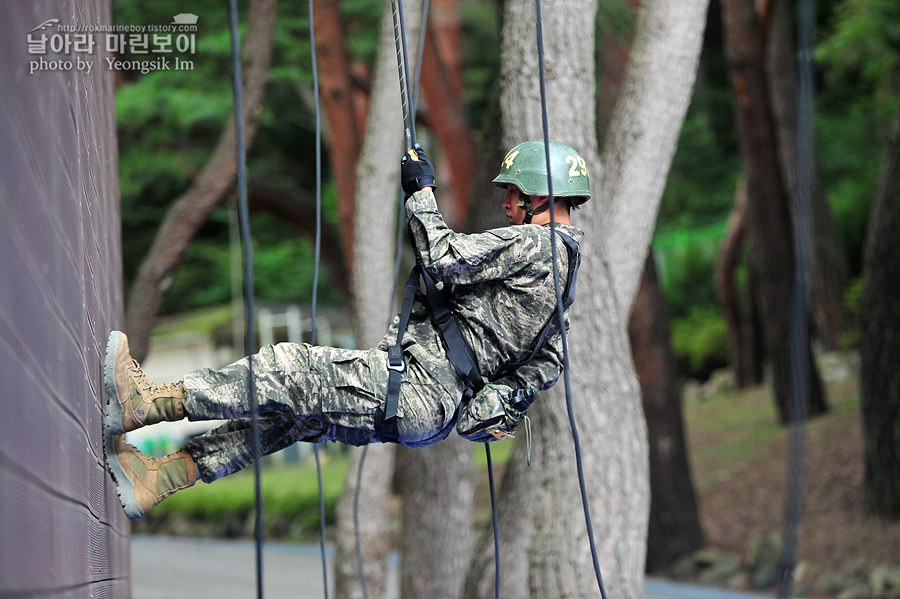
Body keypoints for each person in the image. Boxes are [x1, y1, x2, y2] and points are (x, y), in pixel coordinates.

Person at [104, 140, 590, 520]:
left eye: (512, 192)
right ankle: (160, 477)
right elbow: (536, 372)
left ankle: (149, 401)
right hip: (430, 411)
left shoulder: (537, 243)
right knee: (288, 417)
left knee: (286, 370)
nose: (506, 201)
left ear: (539, 196)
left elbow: (443, 258)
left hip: (416, 386)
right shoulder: (564, 299)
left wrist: (420, 193)